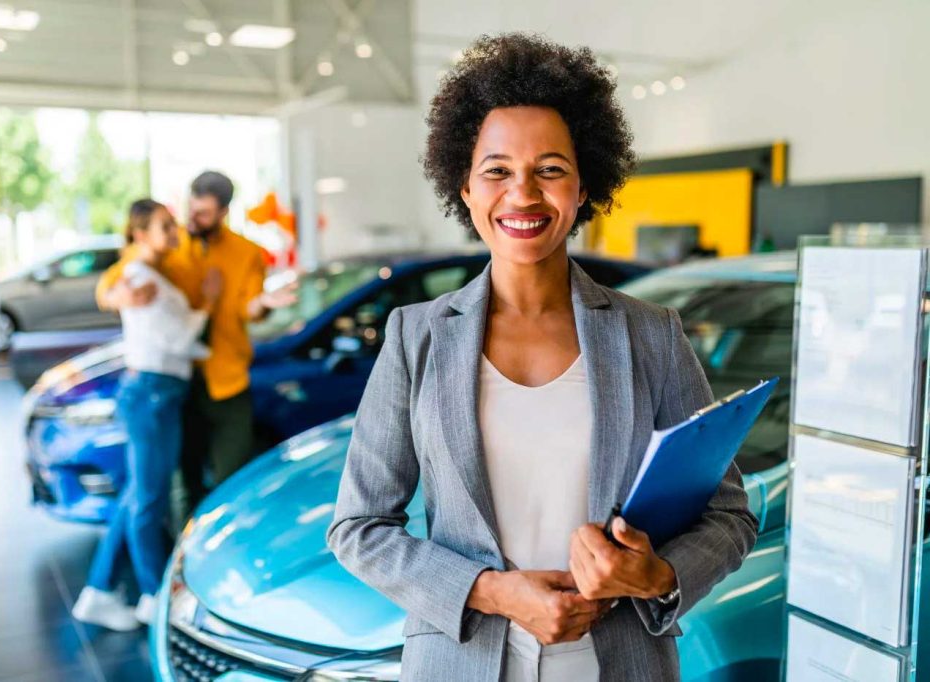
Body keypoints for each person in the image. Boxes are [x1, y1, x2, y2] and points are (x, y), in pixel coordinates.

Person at [327, 33, 758, 681]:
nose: (523, 194)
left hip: (621, 662)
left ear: (584, 186)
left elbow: (729, 516)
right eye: (496, 171)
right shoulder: (417, 336)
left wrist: (658, 573)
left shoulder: (652, 335)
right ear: (465, 190)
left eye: (550, 169)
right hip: (462, 663)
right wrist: (496, 591)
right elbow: (359, 527)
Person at [96, 171, 296, 516]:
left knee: (230, 480)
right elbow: (114, 280)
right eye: (192, 209)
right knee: (185, 484)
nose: (193, 219)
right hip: (182, 383)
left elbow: (248, 307)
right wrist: (116, 296)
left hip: (228, 382)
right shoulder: (172, 244)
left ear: (223, 212)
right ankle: (186, 562)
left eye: (203, 213)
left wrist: (263, 302)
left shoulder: (246, 253)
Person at [73, 199, 221, 630]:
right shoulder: (140, 277)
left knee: (137, 496)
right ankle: (153, 597)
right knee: (148, 502)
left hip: (159, 391)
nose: (173, 233)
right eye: (164, 227)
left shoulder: (150, 274)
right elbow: (176, 338)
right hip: (154, 393)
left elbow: (174, 339)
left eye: (174, 226)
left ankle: (98, 591)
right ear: (138, 233)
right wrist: (208, 306)